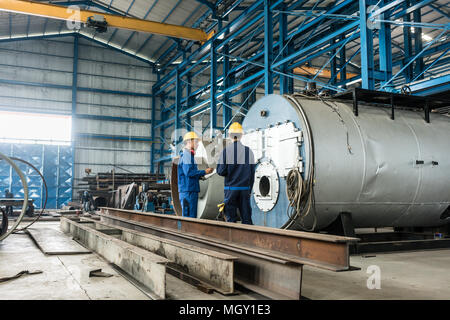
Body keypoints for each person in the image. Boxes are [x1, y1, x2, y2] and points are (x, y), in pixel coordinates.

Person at [217, 122, 256, 224]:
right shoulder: (249, 151)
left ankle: (232, 238)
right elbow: (252, 173)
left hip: (231, 190)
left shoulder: (226, 151)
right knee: (246, 218)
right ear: (241, 135)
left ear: (230, 135)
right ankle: (248, 238)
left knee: (231, 219)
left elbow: (221, 171)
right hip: (245, 190)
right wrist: (249, 189)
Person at [177, 131, 213, 218]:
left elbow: (189, 173)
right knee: (189, 216)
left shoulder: (188, 155)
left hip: (189, 190)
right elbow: (189, 172)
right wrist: (204, 172)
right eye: (196, 142)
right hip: (188, 191)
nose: (197, 144)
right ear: (189, 142)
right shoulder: (187, 155)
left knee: (190, 216)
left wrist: (200, 176)